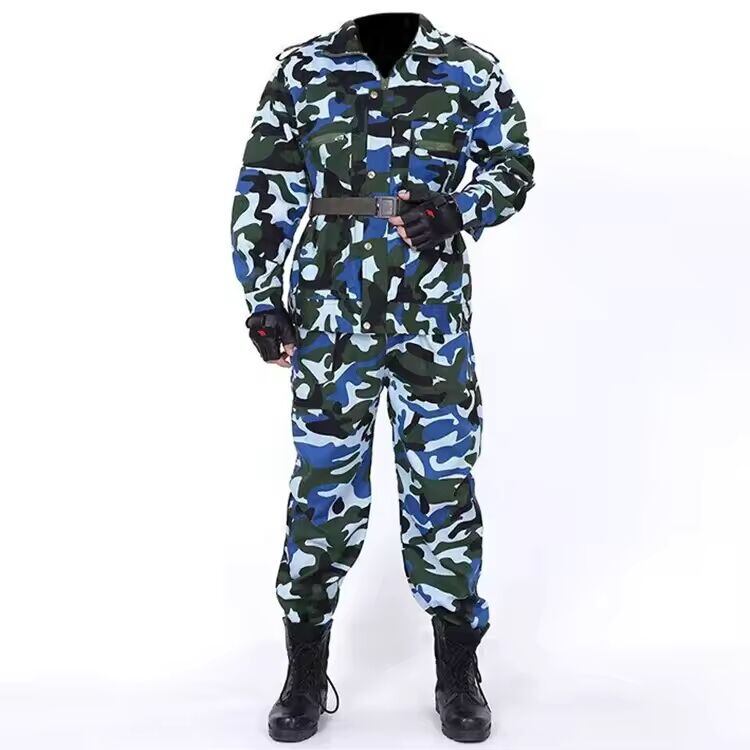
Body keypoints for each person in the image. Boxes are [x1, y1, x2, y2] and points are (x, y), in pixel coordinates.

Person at [230, 12, 534, 743]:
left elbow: (513, 163)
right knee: (322, 487)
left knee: (443, 484)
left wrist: (457, 210)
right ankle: (305, 675)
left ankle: (458, 674)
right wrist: (262, 297)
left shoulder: (469, 67)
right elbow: (265, 183)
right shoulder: (304, 69)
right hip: (329, 312)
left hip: (431, 315)